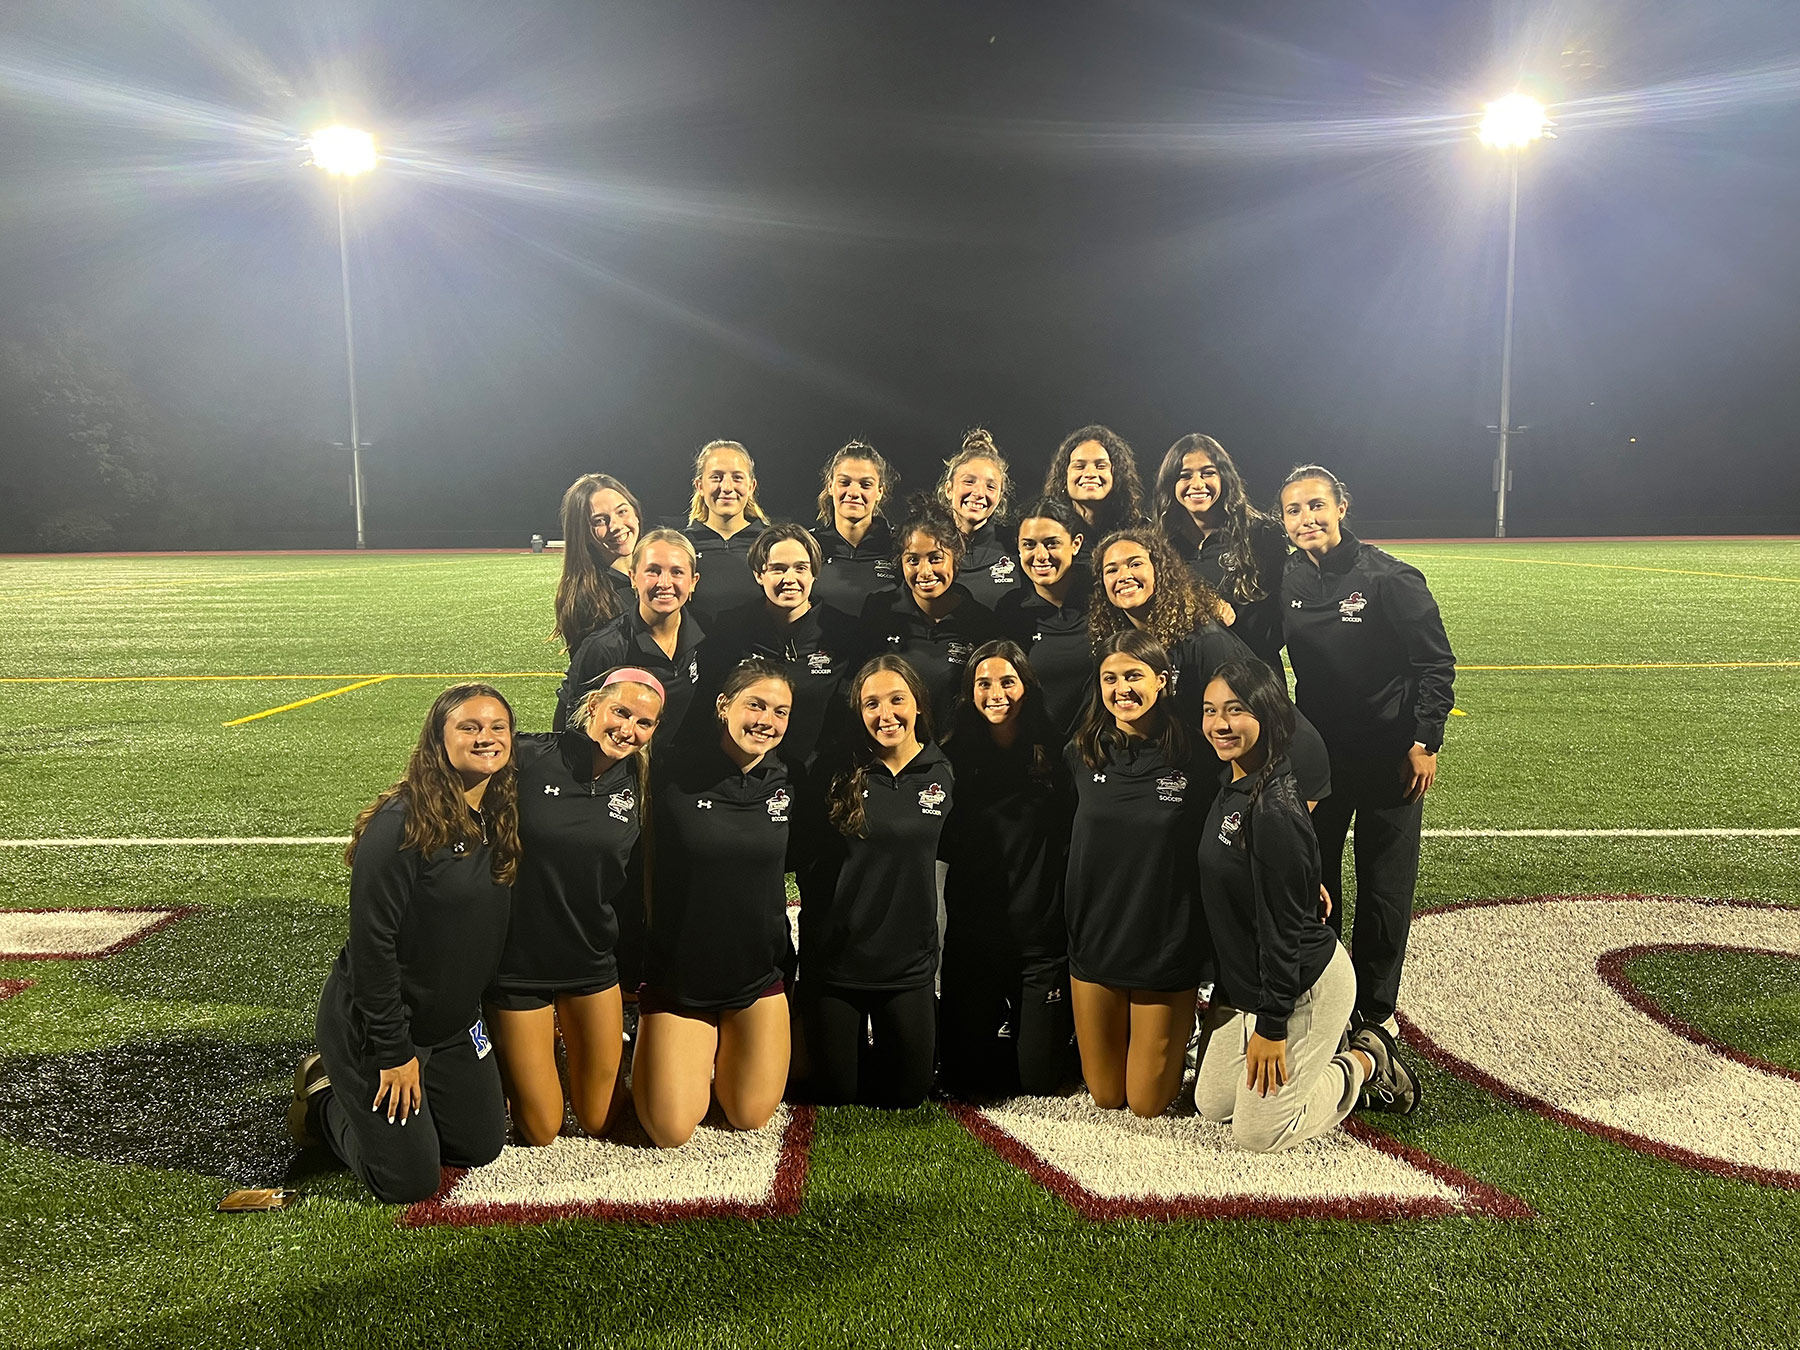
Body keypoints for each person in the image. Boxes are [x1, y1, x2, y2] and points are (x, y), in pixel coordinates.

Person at [286, 684, 518, 1203]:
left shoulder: (499, 808)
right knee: (407, 1181)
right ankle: (325, 1101)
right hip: (385, 1028)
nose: (487, 738)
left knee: (480, 1146)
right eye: (470, 727)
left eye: (498, 727)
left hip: (455, 1024)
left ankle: (402, 1110)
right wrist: (394, 1053)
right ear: (439, 740)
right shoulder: (400, 825)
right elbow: (373, 947)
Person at [1193, 659, 1418, 1152]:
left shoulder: (1273, 808)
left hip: (1303, 983)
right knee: (1213, 1104)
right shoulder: (1232, 780)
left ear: (1268, 715)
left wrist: (1272, 1028)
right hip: (1253, 983)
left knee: (1259, 1133)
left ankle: (1365, 1058)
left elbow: (1286, 933)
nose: (1219, 724)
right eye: (1210, 711)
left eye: (1235, 710)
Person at [1279, 464, 1456, 1039]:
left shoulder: (1390, 578)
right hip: (1319, 764)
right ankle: (1325, 999)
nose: (1306, 519)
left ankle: (1377, 1014)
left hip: (1388, 760)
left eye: (1315, 506)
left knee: (1384, 891)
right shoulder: (1287, 580)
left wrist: (1425, 740)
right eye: (1294, 511)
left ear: (1341, 507)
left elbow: (1435, 664)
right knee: (1315, 883)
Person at [483, 670, 663, 1146]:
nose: (628, 728)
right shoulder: (528, 756)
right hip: (519, 965)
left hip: (590, 962)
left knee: (600, 1120)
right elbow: (450, 777)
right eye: (620, 712)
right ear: (593, 707)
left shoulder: (643, 783)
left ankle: (568, 1060)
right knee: (541, 1130)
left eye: (644, 723)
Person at [633, 661, 797, 1147]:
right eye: (756, 705)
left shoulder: (790, 779)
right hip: (680, 974)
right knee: (670, 1129)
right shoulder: (670, 773)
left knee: (748, 1114)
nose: (766, 719)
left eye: (780, 711)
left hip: (756, 974)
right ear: (723, 706)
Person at [793, 656, 952, 1108]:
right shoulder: (832, 770)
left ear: (918, 703)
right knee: (836, 1093)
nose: (886, 715)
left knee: (906, 1095)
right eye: (871, 704)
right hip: (837, 965)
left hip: (907, 967)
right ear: (857, 713)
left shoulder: (943, 771)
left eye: (897, 700)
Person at [1063, 632, 1209, 1118]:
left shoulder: (1197, 755)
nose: (1121, 688)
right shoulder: (1081, 752)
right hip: (1097, 936)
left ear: (1162, 681)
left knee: (1147, 1103)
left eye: (1133, 676)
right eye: (1110, 678)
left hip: (1164, 941)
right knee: (1106, 1096)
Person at [1091, 524, 1332, 809]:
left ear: (1159, 570)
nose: (1124, 576)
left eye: (1135, 563)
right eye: (1112, 569)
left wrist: (1297, 798)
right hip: (1205, 782)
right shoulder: (1128, 644)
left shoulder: (1205, 641)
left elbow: (1276, 717)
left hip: (1281, 777)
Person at [938, 641, 1076, 1097]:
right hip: (973, 942)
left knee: (1038, 1081)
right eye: (983, 684)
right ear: (969, 692)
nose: (996, 693)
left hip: (1039, 943)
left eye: (1007, 681)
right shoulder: (949, 758)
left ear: (1027, 688)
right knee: (965, 1079)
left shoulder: (1057, 755)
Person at [701, 523, 859, 766]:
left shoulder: (843, 631)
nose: (790, 579)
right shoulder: (730, 628)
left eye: (800, 568)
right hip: (743, 772)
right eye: (778, 569)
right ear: (758, 574)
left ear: (814, 573)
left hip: (816, 774)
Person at [859, 496, 1001, 730]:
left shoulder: (980, 620)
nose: (924, 572)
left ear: (955, 558)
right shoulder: (879, 611)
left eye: (935, 559)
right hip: (896, 752)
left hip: (962, 753)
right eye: (913, 560)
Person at [1153, 434, 1289, 671]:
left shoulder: (1260, 535)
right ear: (1170, 484)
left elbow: (1279, 618)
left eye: (1208, 473)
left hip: (1254, 677)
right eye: (1185, 475)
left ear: (1224, 478)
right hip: (1191, 678)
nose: (1197, 484)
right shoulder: (1160, 543)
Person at [557, 529, 705, 739]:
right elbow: (576, 728)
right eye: (653, 571)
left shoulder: (703, 638)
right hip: (623, 768)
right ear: (633, 577)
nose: (664, 583)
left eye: (677, 572)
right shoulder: (604, 647)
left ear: (693, 581)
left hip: (677, 766)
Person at [994, 496, 1090, 742]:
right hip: (1035, 755)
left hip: (1100, 753)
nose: (1040, 555)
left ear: (1075, 543)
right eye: (1029, 545)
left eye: (1051, 543)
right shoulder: (1009, 611)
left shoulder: (1101, 599)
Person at [552, 473, 643, 661]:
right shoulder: (588, 600)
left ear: (635, 513)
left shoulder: (661, 572)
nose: (615, 526)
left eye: (622, 511)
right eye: (600, 520)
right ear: (583, 533)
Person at [683, 439, 770, 626]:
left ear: (751, 486)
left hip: (759, 653)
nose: (727, 487)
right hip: (698, 655)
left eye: (737, 477)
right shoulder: (681, 546)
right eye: (716, 477)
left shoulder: (771, 543)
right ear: (699, 485)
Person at [811, 439, 900, 620]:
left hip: (887, 649)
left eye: (865, 484)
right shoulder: (809, 546)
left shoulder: (899, 546)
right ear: (830, 486)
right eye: (844, 482)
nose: (853, 492)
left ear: (880, 492)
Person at [936, 427, 1022, 609]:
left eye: (991, 487)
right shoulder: (928, 542)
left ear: (1000, 497)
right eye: (969, 481)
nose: (979, 493)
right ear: (949, 489)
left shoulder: (1015, 544)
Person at [1042, 424, 1146, 539]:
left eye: (1101, 466)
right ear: (1064, 476)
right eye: (1079, 466)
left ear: (1116, 475)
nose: (1090, 474)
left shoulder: (1141, 532)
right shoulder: (1046, 533)